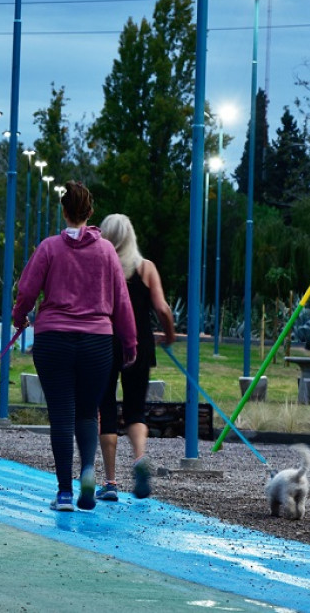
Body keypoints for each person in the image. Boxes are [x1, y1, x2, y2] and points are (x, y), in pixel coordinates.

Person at [12, 181, 136, 512]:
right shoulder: (107, 251)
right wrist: (129, 341)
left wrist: (18, 316)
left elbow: (27, 289)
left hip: (53, 341)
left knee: (61, 416)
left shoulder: (49, 248)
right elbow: (121, 301)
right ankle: (89, 472)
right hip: (97, 343)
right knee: (86, 412)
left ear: (63, 211)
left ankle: (64, 493)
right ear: (90, 212)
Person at [96, 213, 176, 501]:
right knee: (136, 409)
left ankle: (110, 482)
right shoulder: (146, 268)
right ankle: (140, 461)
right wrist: (169, 335)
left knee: (105, 408)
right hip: (140, 344)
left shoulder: (100, 267)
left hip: (104, 342)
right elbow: (162, 308)